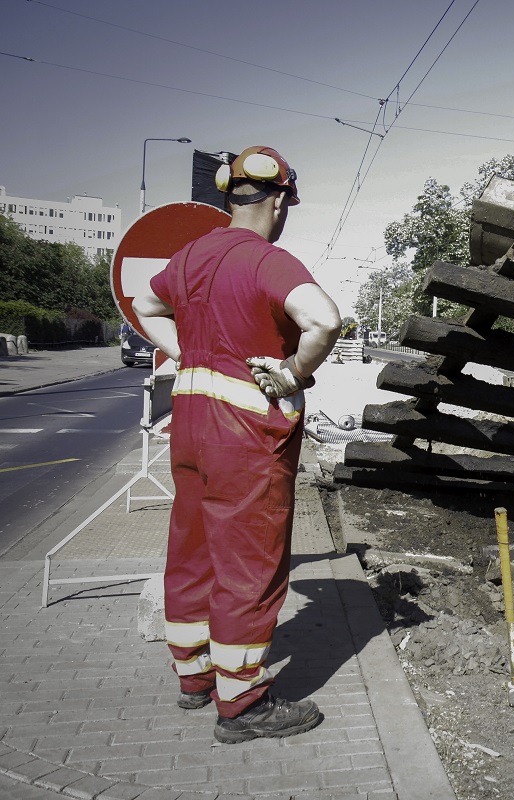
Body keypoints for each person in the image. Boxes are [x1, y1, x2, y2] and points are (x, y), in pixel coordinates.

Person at [132, 146, 341, 744]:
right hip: (245, 434)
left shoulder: (190, 256)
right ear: (277, 202)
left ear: (229, 200)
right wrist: (293, 374)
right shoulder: (265, 260)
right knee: (248, 562)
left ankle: (195, 680)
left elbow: (146, 305)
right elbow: (324, 320)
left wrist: (183, 353)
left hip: (190, 426)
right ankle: (243, 704)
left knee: (192, 547)